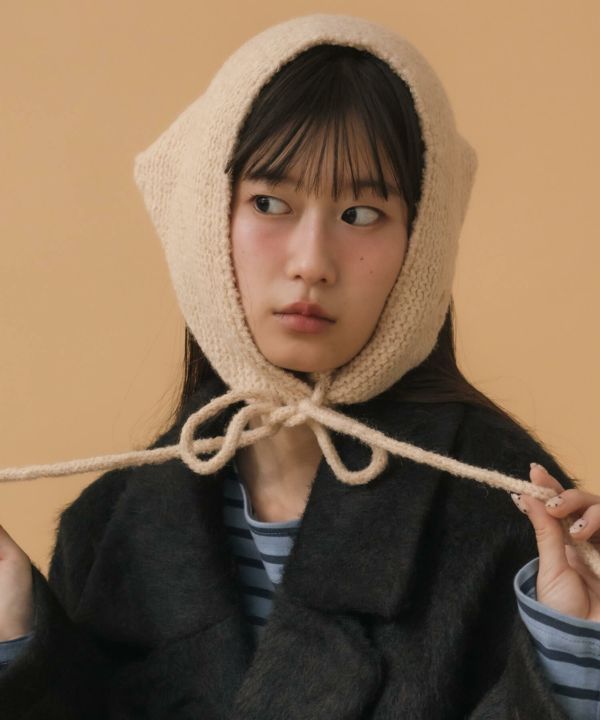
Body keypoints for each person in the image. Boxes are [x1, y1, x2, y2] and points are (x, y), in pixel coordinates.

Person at [0, 12, 599, 719]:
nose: (312, 263)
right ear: (204, 221)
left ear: (424, 240)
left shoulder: (513, 519)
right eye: (269, 202)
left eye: (362, 214)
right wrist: (18, 644)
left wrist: (573, 656)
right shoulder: (108, 527)